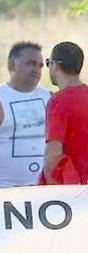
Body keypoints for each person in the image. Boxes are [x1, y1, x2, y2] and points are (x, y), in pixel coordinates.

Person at [0, 42, 50, 189]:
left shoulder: (50, 98)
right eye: (30, 63)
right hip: (5, 191)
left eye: (40, 65)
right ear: (11, 65)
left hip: (44, 193)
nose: (36, 70)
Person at [42, 41, 88, 185]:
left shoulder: (58, 101)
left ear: (55, 65)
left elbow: (54, 155)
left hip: (73, 190)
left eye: (48, 62)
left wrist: (54, 196)